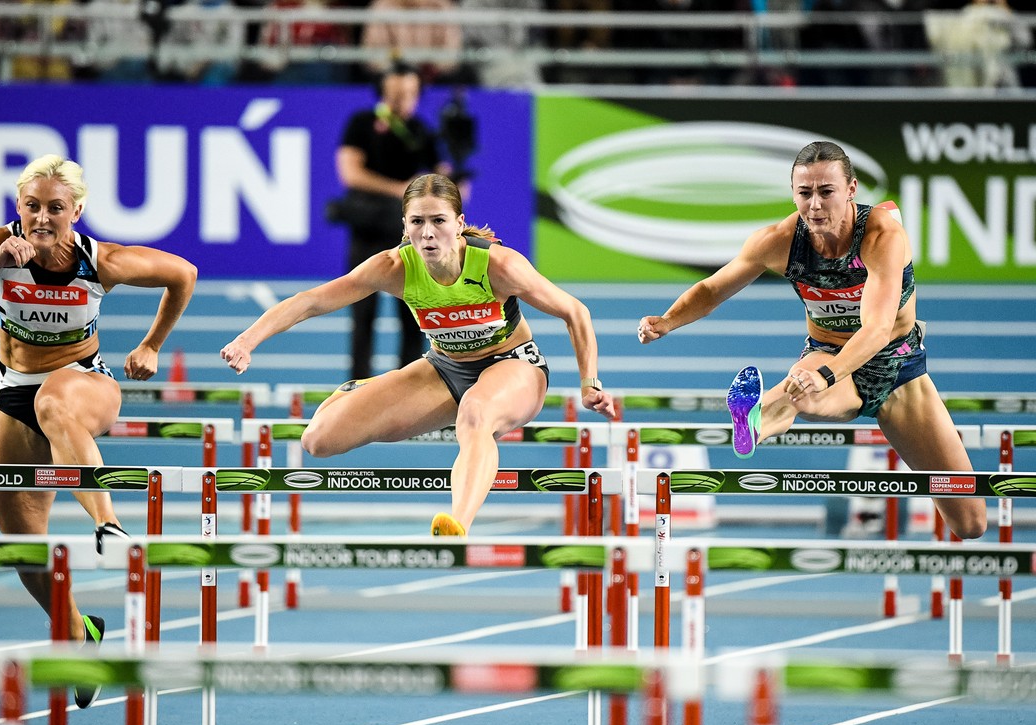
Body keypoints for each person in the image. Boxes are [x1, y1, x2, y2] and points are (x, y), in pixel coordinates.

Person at [0, 154, 197, 707]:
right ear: (18, 209)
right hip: (13, 394)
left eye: (55, 208)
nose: (42, 218)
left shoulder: (102, 261)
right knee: (22, 548)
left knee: (55, 401)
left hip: (84, 386)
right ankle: (81, 635)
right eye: (32, 207)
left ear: (77, 210)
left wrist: (150, 346)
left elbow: (182, 274)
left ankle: (110, 527)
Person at [222, 173, 616, 536]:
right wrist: (247, 340)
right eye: (417, 223)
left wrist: (589, 382)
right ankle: (358, 389)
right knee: (319, 440)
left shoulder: (499, 265)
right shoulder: (394, 266)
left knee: (476, 414)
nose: (428, 234)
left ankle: (457, 523)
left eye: (439, 221)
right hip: (444, 368)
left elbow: (574, 312)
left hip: (513, 365)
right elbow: (311, 302)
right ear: (405, 227)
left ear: (459, 223)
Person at [636, 141, 986, 541]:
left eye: (826, 192)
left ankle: (772, 411)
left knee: (970, 522)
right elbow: (712, 290)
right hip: (826, 352)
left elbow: (875, 330)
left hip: (897, 367)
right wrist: (667, 321)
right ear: (793, 194)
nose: (815, 205)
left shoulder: (882, 237)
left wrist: (826, 374)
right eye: (804, 194)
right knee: (802, 392)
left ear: (851, 189)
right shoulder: (779, 240)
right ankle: (757, 419)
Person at [332, 60, 446, 380]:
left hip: (409, 235)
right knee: (362, 313)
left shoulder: (423, 131)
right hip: (368, 228)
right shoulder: (361, 123)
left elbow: (445, 184)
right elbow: (349, 172)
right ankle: (357, 388)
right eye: (395, 94)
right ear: (382, 93)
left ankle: (407, 391)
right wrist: (399, 189)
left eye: (410, 94)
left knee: (413, 317)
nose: (402, 101)